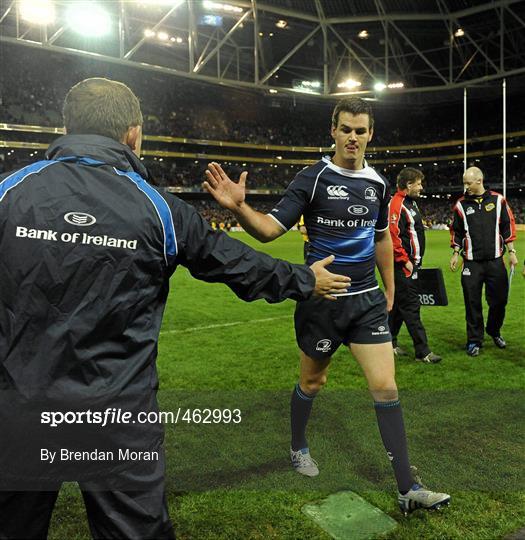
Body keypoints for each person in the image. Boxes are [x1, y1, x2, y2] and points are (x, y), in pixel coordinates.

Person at [0, 78, 351, 539]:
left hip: (18, 409)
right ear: (132, 134)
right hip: (117, 413)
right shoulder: (156, 207)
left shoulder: (9, 192)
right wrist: (306, 278)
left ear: (66, 127)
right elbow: (235, 262)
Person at [204, 97, 450, 515]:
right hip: (321, 302)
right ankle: (298, 445)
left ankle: (407, 487)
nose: (353, 137)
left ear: (370, 134)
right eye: (346, 129)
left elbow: (381, 239)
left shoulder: (377, 183)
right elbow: (268, 231)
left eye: (360, 130)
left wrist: (390, 289)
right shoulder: (312, 178)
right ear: (333, 131)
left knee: (386, 387)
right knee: (313, 383)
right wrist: (241, 207)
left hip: (366, 303)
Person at [450, 166, 517, 356]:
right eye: (464, 183)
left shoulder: (498, 200)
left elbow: (507, 226)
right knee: (472, 303)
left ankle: (494, 330)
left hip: (496, 261)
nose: (465, 186)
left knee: (499, 301)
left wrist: (511, 251)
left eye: (468, 183)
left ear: (479, 181)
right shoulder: (461, 204)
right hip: (471, 262)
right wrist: (456, 253)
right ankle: (474, 340)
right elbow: (456, 231)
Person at [388, 168, 442, 363]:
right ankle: (423, 352)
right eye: (418, 183)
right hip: (404, 267)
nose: (421, 187)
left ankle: (389, 342)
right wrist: (405, 261)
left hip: (412, 265)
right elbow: (392, 236)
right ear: (408, 184)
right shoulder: (396, 204)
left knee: (399, 307)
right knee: (411, 307)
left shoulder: (411, 204)